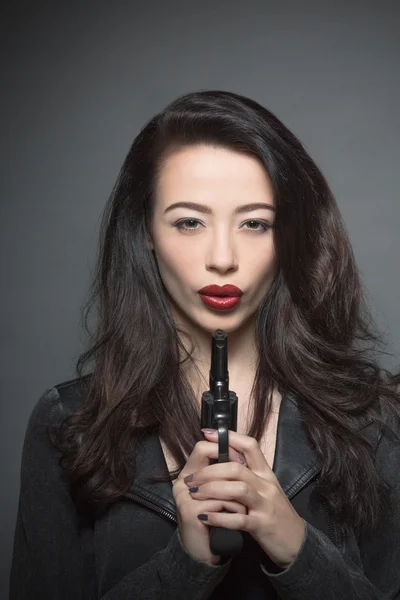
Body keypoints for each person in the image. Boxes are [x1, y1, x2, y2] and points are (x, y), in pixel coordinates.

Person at [9, 89, 400, 600]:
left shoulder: (369, 417)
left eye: (255, 223)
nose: (223, 257)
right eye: (190, 222)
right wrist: (187, 564)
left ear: (289, 236)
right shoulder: (70, 425)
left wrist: (297, 548)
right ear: (146, 229)